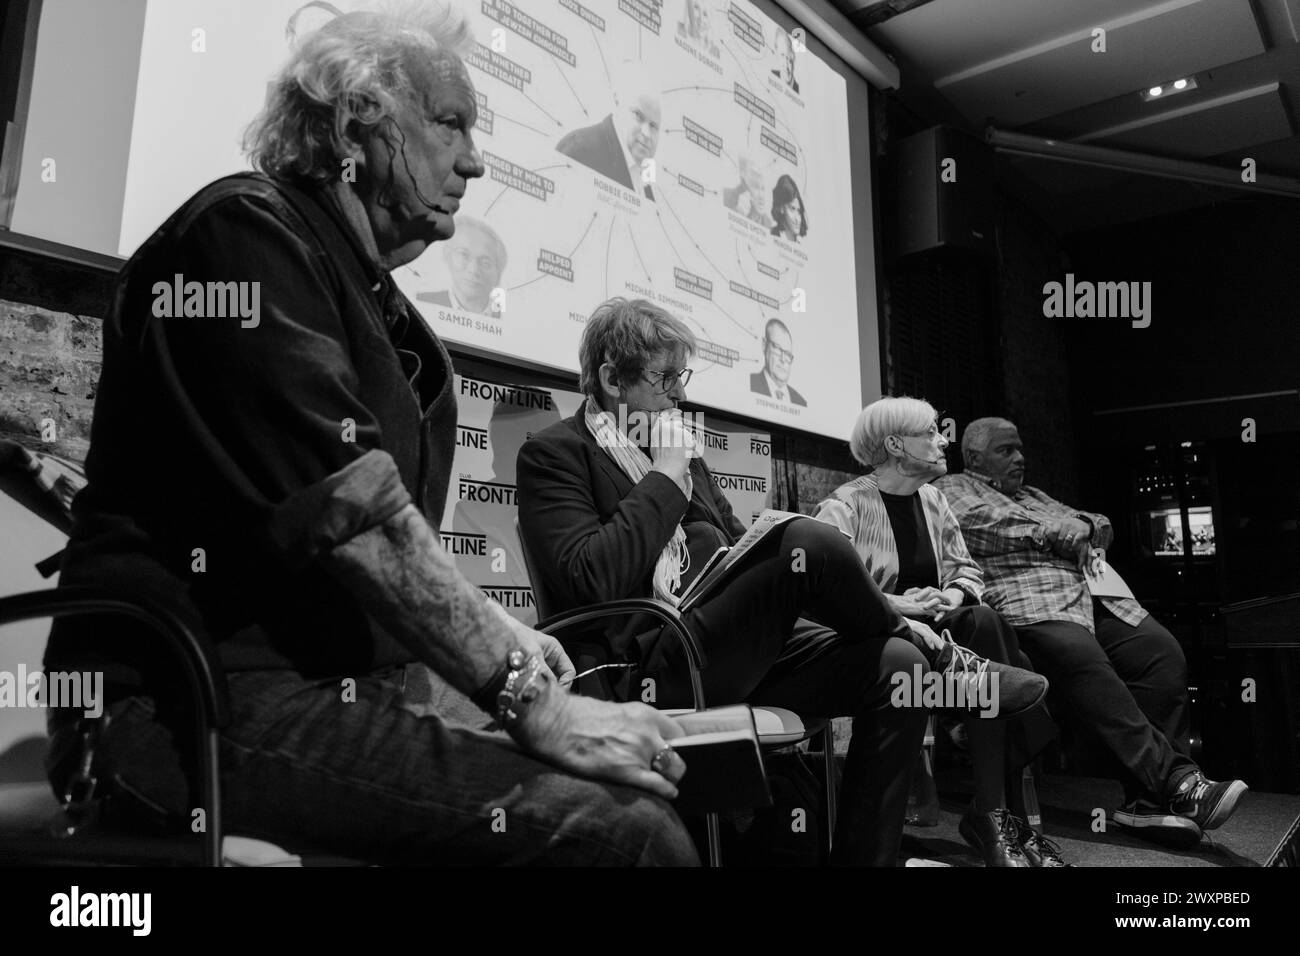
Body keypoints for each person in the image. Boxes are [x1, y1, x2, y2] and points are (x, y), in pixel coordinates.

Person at [42, 3, 702, 866]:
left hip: (346, 680)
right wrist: (531, 700)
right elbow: (357, 518)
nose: (475, 158)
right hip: (185, 700)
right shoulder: (240, 238)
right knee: (628, 834)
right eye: (451, 123)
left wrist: (508, 642)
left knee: (652, 768)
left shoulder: (373, 297)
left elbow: (394, 543)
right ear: (361, 123)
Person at [515, 297, 1047, 866]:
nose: (679, 394)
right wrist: (666, 476)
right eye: (663, 378)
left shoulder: (685, 459)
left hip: (730, 649)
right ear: (610, 379)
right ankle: (941, 652)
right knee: (808, 540)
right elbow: (591, 577)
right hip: (649, 662)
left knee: (899, 668)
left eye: (680, 377)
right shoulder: (556, 454)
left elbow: (744, 551)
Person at [937, 417, 1248, 844]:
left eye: (1020, 448)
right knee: (1081, 657)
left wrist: (1081, 526)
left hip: (1095, 599)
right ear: (974, 456)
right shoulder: (953, 488)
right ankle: (1178, 783)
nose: (1019, 458)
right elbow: (983, 527)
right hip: (1032, 605)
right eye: (1006, 450)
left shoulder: (1032, 494)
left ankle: (1147, 802)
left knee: (1159, 651)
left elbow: (1101, 524)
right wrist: (1058, 532)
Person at [815, 397, 1067, 867]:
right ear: (894, 444)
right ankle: (996, 818)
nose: (943, 438)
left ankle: (991, 813)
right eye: (931, 432)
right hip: (883, 639)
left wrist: (950, 596)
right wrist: (903, 603)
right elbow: (830, 595)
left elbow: (966, 572)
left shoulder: (933, 500)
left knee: (986, 622)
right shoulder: (844, 506)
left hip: (943, 633)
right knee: (1018, 667)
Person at [556, 65, 660, 201]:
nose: (647, 133)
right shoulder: (578, 151)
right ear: (617, 100)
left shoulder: (647, 171)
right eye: (638, 116)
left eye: (653, 126)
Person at [418, 215, 506, 316]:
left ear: (498, 272)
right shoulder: (422, 304)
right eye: (464, 255)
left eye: (485, 262)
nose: (474, 270)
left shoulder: (513, 319)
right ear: (448, 257)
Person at [749, 318, 806, 406]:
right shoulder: (750, 383)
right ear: (764, 345)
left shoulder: (800, 402)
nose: (783, 359)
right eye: (777, 348)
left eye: (787, 354)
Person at [722, 153, 774, 228]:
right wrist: (737, 213)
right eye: (755, 186)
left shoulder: (767, 222)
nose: (761, 196)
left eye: (763, 188)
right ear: (742, 175)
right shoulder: (724, 197)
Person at [770, 174, 807, 243]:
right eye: (792, 209)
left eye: (799, 211)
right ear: (781, 208)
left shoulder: (800, 245)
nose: (797, 219)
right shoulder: (771, 236)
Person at [772, 29, 800, 93]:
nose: (786, 64)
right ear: (776, 55)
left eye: (788, 58)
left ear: (793, 57)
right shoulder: (771, 75)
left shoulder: (798, 90)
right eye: (782, 55)